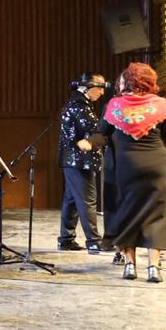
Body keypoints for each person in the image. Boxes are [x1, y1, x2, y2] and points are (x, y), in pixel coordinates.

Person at [79, 62, 166, 283]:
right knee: (156, 216)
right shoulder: (159, 104)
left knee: (126, 214)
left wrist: (89, 142)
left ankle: (130, 265)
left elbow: (102, 134)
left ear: (128, 81)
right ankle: (153, 268)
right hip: (156, 168)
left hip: (126, 167)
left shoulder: (115, 105)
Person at [58, 72, 108, 253]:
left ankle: (66, 238)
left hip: (73, 161)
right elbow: (94, 131)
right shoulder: (80, 106)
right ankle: (94, 241)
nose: (102, 93)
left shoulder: (77, 104)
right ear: (89, 87)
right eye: (100, 88)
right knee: (87, 200)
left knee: (71, 200)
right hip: (80, 161)